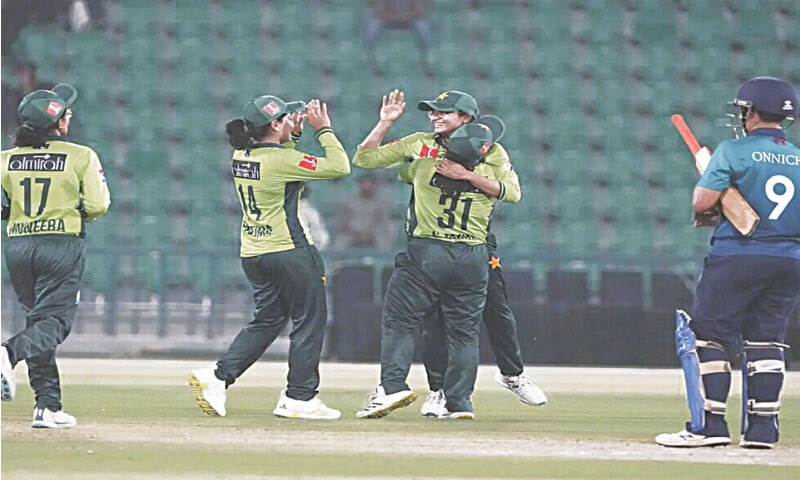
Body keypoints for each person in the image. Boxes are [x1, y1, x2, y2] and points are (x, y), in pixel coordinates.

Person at [353, 89, 522, 420]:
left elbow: (364, 160)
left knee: (401, 320)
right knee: (464, 332)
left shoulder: (422, 151)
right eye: (433, 111)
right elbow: (512, 193)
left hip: (428, 250)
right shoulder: (492, 154)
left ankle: (392, 386)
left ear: (467, 119)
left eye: (445, 111)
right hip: (472, 256)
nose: (435, 115)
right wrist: (471, 177)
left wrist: (386, 128)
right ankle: (459, 403)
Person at [656, 77, 800, 449]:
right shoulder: (799, 157)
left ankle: (711, 426)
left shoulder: (732, 151)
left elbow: (702, 203)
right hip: (789, 259)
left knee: (710, 336)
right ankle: (762, 431)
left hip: (737, 255)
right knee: (767, 341)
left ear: (751, 112)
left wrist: (717, 193)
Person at [188, 96, 350, 420]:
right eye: (286, 119)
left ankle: (218, 377)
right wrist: (323, 130)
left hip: (254, 252)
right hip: (290, 250)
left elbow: (280, 161)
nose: (292, 121)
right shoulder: (280, 161)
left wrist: (295, 136)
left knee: (269, 320)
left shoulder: (241, 154)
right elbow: (340, 166)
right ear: (275, 125)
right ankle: (299, 397)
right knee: (309, 319)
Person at [0, 83, 111, 429]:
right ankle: (8, 352)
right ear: (58, 123)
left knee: (39, 321)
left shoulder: (5, 159)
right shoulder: (81, 156)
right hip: (60, 245)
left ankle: (47, 406)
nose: (70, 115)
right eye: (66, 112)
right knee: (55, 323)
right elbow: (97, 205)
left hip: (18, 246)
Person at [364, 0, 433, 74]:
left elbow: (420, 10)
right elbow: (378, 11)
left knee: (423, 28)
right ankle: (373, 63)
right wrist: (394, 17)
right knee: (372, 28)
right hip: (387, 20)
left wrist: (405, 17)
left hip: (410, 20)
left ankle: (425, 63)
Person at [333, 173, 395, 251]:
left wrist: (371, 232)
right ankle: (338, 262)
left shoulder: (380, 203)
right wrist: (351, 231)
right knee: (341, 242)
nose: (366, 186)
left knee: (383, 239)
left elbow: (384, 222)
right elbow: (341, 220)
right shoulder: (349, 202)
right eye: (363, 183)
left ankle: (385, 262)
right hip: (353, 233)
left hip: (374, 233)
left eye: (368, 183)